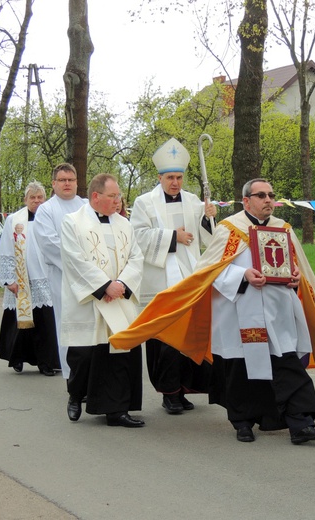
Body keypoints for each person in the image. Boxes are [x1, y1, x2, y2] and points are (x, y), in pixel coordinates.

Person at [112, 178, 315, 444]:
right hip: (240, 312)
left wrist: (294, 278)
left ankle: (302, 423)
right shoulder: (230, 229)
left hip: (278, 312)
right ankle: (242, 423)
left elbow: (297, 268)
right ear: (246, 201)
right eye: (261, 196)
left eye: (271, 195)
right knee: (240, 371)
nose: (268, 200)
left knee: (287, 365)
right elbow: (209, 271)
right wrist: (243, 275)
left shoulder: (283, 229)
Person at [130, 138, 217, 414]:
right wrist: (172, 236)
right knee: (166, 339)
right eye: (170, 177)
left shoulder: (193, 201)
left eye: (179, 177)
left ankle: (185, 389)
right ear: (160, 178)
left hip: (189, 275)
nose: (175, 182)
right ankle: (169, 392)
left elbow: (208, 237)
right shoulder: (144, 203)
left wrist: (208, 217)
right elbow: (138, 237)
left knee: (189, 336)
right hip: (160, 280)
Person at [61, 174, 145, 428]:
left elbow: (136, 258)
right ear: (96, 197)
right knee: (84, 356)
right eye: (113, 196)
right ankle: (76, 395)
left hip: (119, 299)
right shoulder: (72, 222)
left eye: (118, 195)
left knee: (118, 354)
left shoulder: (124, 224)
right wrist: (104, 285)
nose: (118, 201)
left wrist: (122, 285)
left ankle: (116, 410)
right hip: (89, 300)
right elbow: (74, 260)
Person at [0, 181, 60, 376]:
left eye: (40, 197)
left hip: (45, 277)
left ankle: (46, 362)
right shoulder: (14, 220)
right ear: (26, 200)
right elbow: (6, 249)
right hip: (21, 277)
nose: (37, 201)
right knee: (20, 322)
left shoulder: (50, 219)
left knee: (45, 322)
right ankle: (17, 358)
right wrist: (9, 279)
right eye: (32, 198)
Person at [33, 163, 87, 381]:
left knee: (90, 328)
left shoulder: (86, 206)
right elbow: (49, 243)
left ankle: (90, 376)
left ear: (76, 182)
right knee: (68, 325)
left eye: (71, 180)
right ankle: (72, 379)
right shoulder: (46, 210)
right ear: (54, 184)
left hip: (91, 278)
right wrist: (82, 261)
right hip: (63, 276)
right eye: (62, 180)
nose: (67, 184)